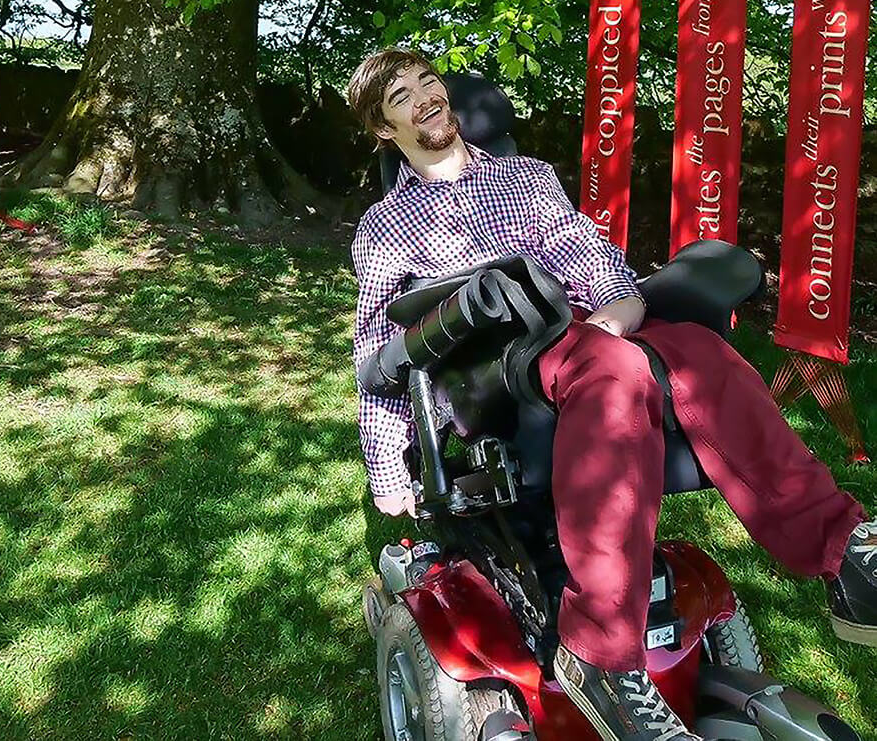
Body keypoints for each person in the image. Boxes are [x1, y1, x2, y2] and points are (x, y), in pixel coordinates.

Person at [346, 47, 877, 741]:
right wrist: (389, 463)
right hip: (490, 365)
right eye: (401, 96)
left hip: (581, 336)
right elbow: (375, 356)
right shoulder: (386, 228)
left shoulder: (528, 178)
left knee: (705, 354)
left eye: (428, 82)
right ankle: (598, 649)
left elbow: (592, 261)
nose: (425, 98)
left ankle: (846, 551)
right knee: (617, 370)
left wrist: (621, 313)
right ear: (385, 129)